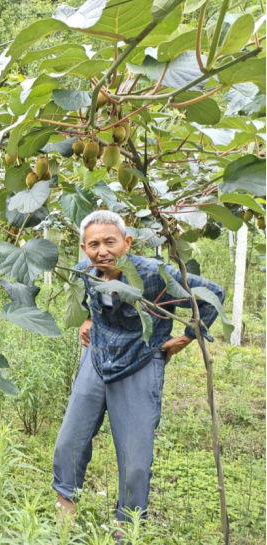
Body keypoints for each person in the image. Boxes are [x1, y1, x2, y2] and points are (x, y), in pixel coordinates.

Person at [52, 210, 225, 526]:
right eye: (93, 244)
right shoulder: (85, 271)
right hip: (98, 356)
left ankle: (126, 525)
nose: (102, 251)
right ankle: (65, 510)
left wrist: (184, 338)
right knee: (69, 439)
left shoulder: (154, 275)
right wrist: (88, 320)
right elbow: (83, 298)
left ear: (127, 242)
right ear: (83, 248)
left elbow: (213, 296)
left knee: (135, 458)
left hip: (140, 360)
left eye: (110, 242)